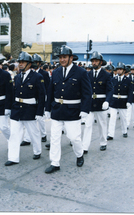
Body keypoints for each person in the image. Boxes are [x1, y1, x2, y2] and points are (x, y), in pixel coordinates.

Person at [44, 45, 92, 174]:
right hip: (57, 109)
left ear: (71, 58)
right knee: (54, 137)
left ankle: (79, 154)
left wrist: (85, 110)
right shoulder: (56, 72)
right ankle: (55, 163)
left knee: (74, 138)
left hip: (73, 110)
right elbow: (50, 91)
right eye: (60, 57)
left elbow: (87, 93)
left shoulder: (81, 72)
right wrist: (47, 108)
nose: (62, 60)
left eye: (64, 57)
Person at [5, 51, 46, 166]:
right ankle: (13, 157)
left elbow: (41, 96)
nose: (20, 64)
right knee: (14, 134)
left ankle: (37, 151)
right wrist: (9, 108)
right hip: (17, 108)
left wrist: (40, 112)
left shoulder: (37, 77)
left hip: (30, 109)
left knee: (33, 133)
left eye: (23, 62)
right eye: (19, 62)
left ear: (29, 64)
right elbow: (13, 94)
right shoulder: (17, 77)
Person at [82, 51, 113, 153]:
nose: (94, 63)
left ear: (101, 62)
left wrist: (107, 101)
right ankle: (85, 146)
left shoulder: (106, 75)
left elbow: (110, 90)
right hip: (90, 103)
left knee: (102, 124)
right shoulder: (88, 74)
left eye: (96, 61)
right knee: (87, 125)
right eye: (93, 61)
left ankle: (103, 142)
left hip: (101, 103)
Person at [107, 62, 133, 140]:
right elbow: (110, 90)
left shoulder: (128, 80)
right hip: (114, 101)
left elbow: (130, 92)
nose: (119, 71)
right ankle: (110, 134)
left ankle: (124, 131)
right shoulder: (113, 79)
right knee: (112, 118)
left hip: (123, 101)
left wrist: (129, 101)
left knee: (123, 118)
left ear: (124, 71)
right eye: (118, 69)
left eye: (120, 69)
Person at [32, 53, 50, 142]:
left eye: (36, 62)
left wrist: (46, 99)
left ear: (40, 63)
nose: (35, 63)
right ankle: (28, 138)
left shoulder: (44, 74)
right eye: (33, 62)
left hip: (41, 97)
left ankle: (43, 134)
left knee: (40, 118)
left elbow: (47, 87)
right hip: (31, 98)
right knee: (31, 118)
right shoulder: (29, 73)